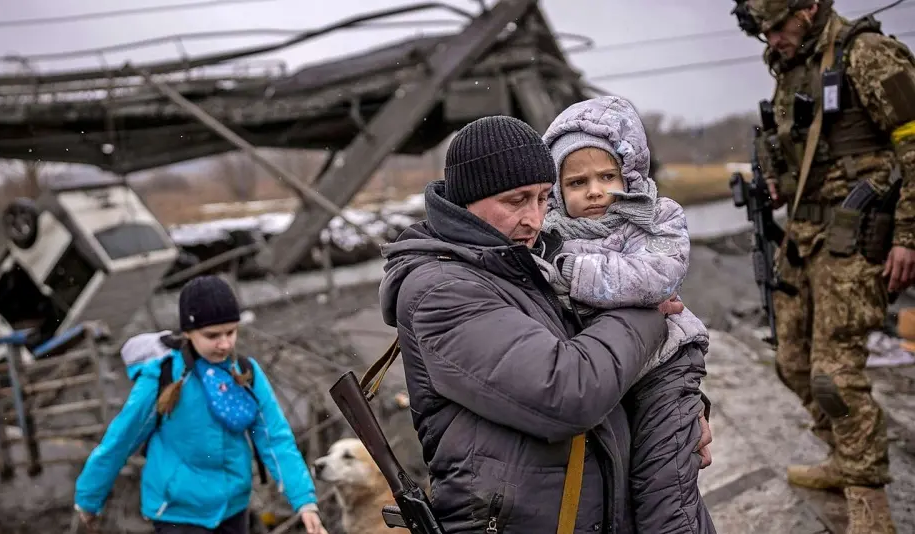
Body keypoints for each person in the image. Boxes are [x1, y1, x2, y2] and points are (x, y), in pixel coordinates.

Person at [378, 115, 712, 533]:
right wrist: (645, 308)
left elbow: (611, 366)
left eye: (542, 198)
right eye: (517, 200)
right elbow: (568, 390)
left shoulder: (525, 259)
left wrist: (675, 412)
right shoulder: (441, 290)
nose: (534, 219)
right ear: (468, 199)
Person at [731, 0, 915, 531]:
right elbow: (803, 156)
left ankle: (868, 502)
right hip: (804, 237)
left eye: (776, 28)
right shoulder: (792, 66)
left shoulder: (868, 54)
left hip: (856, 236)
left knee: (834, 376)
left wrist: (908, 235)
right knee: (790, 360)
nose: (770, 41)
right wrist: (773, 182)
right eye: (762, 32)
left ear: (809, 8)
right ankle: (844, 456)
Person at [535, 95, 715, 533]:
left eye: (607, 177)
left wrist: (572, 274)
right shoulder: (548, 235)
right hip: (608, 372)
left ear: (627, 174)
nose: (595, 191)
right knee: (617, 497)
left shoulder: (656, 218)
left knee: (664, 490)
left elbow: (654, 277)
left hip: (664, 366)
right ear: (558, 190)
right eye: (577, 183)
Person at [73, 275, 328, 534]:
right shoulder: (164, 376)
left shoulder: (245, 372)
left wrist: (304, 501)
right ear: (188, 332)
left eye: (231, 332)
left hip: (232, 509)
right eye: (212, 335)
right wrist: (89, 497)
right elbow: (121, 439)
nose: (225, 343)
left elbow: (275, 439)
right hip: (177, 512)